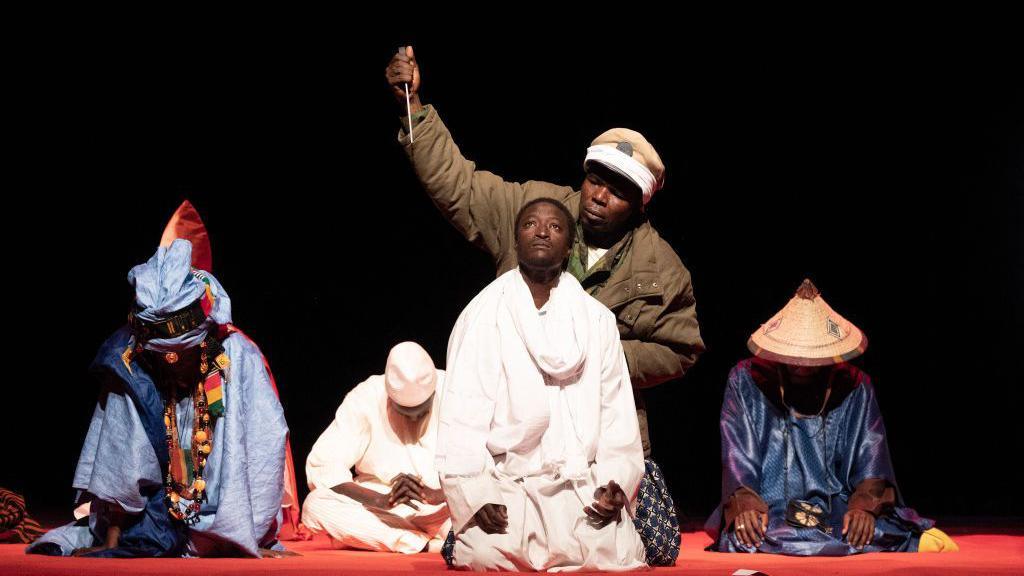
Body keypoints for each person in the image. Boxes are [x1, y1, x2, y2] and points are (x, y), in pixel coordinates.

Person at [27, 239, 290, 558]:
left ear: (203, 338)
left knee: (193, 539)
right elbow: (121, 459)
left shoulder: (237, 357)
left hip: (224, 517)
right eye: (162, 355)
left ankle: (213, 537)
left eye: (182, 354)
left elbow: (266, 448)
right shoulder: (132, 363)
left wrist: (252, 531)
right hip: (159, 512)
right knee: (143, 538)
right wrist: (111, 544)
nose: (171, 364)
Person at [436, 198, 648, 570]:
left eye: (555, 226)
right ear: (516, 240)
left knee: (617, 552)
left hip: (581, 486)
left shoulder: (595, 320)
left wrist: (613, 482)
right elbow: (463, 413)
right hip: (508, 484)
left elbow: (615, 411)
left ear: (569, 247)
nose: (542, 231)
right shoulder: (484, 314)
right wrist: (477, 494)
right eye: (530, 224)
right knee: (485, 555)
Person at [705, 279, 958, 555]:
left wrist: (864, 508)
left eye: (811, 359)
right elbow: (737, 457)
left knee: (871, 531)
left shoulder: (856, 384)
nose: (802, 366)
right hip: (772, 508)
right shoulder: (745, 380)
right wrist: (746, 506)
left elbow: (871, 456)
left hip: (837, 509)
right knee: (745, 537)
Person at [302, 341, 450, 553]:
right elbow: (324, 466)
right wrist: (381, 499)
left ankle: (397, 540)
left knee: (495, 505)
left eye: (421, 412)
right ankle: (426, 545)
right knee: (315, 505)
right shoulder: (366, 396)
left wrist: (440, 493)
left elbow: (482, 464)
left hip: (443, 508)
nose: (414, 419)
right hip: (385, 510)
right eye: (405, 413)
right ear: (390, 396)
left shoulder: (454, 391)